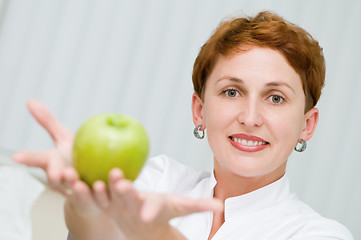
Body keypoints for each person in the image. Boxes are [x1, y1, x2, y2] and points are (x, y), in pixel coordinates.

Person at [13, 10, 354, 240]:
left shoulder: (319, 234)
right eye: (231, 91)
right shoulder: (155, 180)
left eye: (275, 98)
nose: (250, 118)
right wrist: (85, 204)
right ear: (199, 110)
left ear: (307, 125)